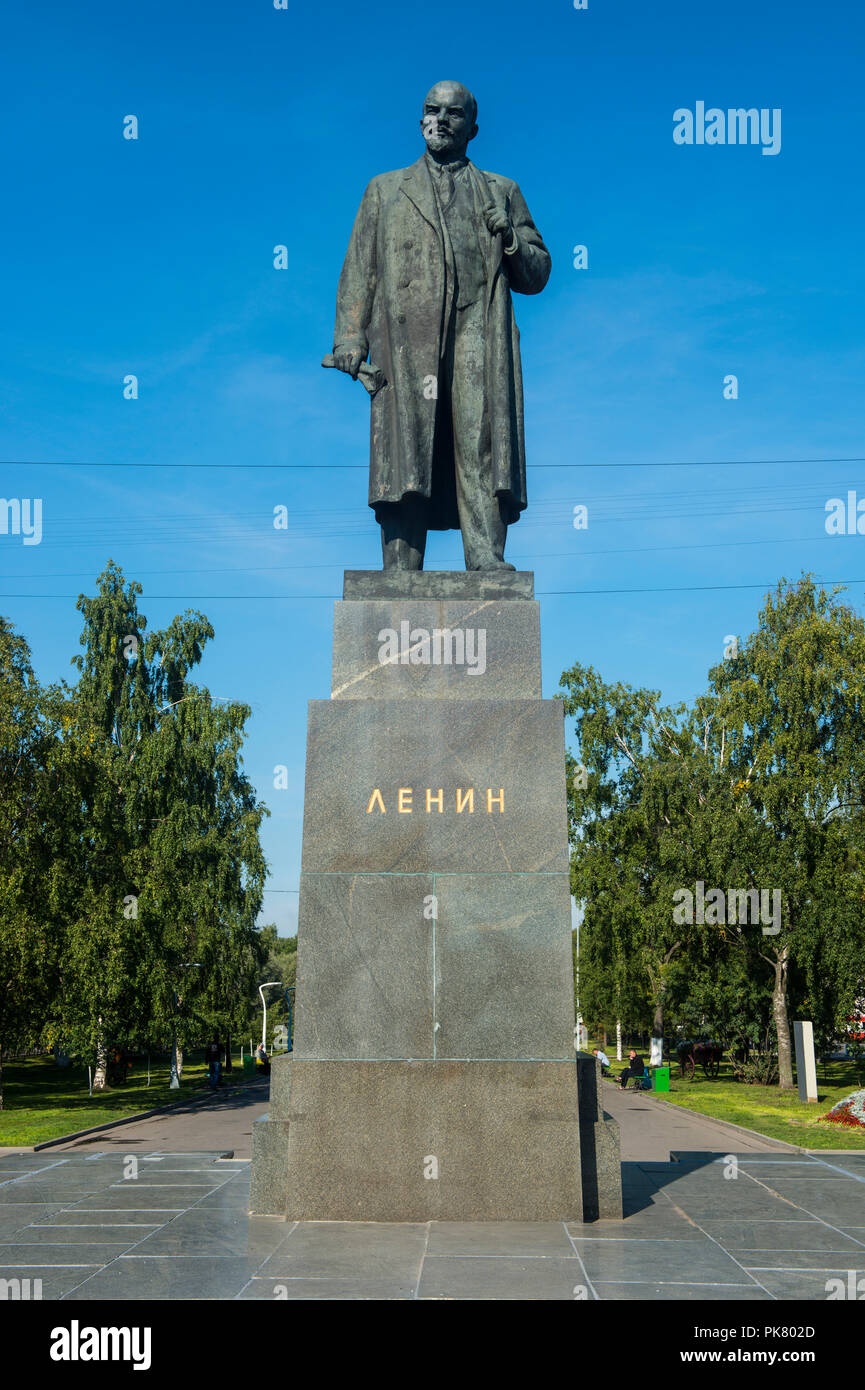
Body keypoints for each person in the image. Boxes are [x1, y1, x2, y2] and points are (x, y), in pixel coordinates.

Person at [331, 80, 551, 572]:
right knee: (409, 448)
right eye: (433, 110)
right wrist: (350, 335)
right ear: (420, 119)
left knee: (481, 442)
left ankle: (486, 557)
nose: (442, 120)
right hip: (408, 339)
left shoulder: (502, 191)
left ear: (474, 127)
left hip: (479, 329)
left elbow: (536, 275)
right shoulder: (385, 190)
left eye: (454, 113)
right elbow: (359, 268)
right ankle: (400, 567)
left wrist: (510, 236)